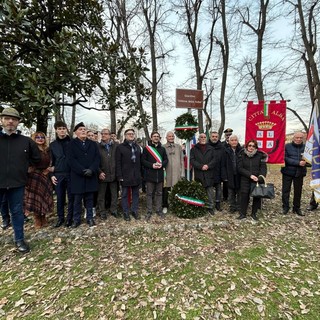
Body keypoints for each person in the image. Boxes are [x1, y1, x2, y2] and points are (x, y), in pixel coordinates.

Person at [0, 107, 41, 253]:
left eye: (14, 119)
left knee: (17, 212)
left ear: (18, 122)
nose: (10, 121)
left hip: (17, 183)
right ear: (1, 120)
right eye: (7, 118)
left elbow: (38, 159)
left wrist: (29, 168)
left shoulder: (26, 141)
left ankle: (19, 239)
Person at [67, 122, 100, 228]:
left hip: (91, 175)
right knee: (77, 200)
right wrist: (82, 170)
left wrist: (91, 169)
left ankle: (90, 218)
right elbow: (71, 160)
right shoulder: (71, 144)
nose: (83, 131)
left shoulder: (93, 144)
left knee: (89, 199)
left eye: (84, 129)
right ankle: (76, 220)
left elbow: (97, 158)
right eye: (80, 129)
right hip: (78, 176)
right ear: (76, 132)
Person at [24, 132, 54, 229]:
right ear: (34, 139)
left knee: (44, 197)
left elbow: (51, 161)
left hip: (45, 175)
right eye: (37, 137)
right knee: (35, 198)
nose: (40, 139)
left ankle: (43, 216)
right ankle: (37, 218)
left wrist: (49, 168)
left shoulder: (48, 150)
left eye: (42, 137)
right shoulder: (31, 149)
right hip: (34, 176)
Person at [50, 120, 74, 228]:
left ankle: (69, 218)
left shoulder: (73, 142)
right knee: (60, 198)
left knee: (71, 197)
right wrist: (52, 175)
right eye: (59, 129)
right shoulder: (53, 145)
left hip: (71, 174)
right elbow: (50, 162)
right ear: (56, 130)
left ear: (66, 129)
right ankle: (60, 218)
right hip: (58, 175)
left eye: (63, 128)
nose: (62, 130)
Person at [116, 129, 142, 221]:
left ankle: (134, 211)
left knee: (136, 194)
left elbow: (140, 161)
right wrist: (119, 176)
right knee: (125, 195)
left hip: (136, 175)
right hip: (125, 175)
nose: (131, 135)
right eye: (129, 134)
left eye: (132, 134)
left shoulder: (137, 147)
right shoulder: (120, 147)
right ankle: (126, 212)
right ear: (125, 136)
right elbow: (118, 162)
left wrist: (140, 174)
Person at [238, 139, 267, 220]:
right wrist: (250, 175)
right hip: (245, 178)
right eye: (249, 145)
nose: (251, 147)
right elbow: (239, 168)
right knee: (244, 196)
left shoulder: (260, 155)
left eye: (253, 146)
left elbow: (263, 168)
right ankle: (243, 214)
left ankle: (254, 213)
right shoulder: (241, 155)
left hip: (257, 179)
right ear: (246, 146)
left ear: (256, 147)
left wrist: (260, 177)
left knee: (256, 196)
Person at [142, 131, 168, 221]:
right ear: (151, 138)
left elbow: (166, 160)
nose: (156, 137)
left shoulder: (162, 149)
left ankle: (158, 210)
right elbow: (143, 161)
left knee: (159, 193)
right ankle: (149, 211)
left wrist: (161, 164)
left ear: (159, 138)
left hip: (160, 175)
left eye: (157, 136)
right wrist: (152, 165)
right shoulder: (146, 149)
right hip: (150, 175)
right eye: (154, 136)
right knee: (149, 194)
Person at [281, 131, 307, 216]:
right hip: (287, 171)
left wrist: (306, 163)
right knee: (285, 190)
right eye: (297, 137)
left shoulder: (306, 147)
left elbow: (310, 160)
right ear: (293, 138)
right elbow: (285, 158)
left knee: (298, 191)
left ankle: (296, 208)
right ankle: (285, 206)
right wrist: (297, 162)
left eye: (300, 138)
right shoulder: (287, 146)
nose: (299, 139)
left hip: (300, 173)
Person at [190, 133, 216, 214]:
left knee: (209, 191)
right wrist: (201, 166)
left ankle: (210, 207)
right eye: (201, 137)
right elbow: (192, 160)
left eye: (204, 137)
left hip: (209, 172)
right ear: (199, 139)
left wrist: (208, 166)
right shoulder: (194, 149)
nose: (203, 138)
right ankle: (200, 206)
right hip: (199, 173)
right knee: (199, 190)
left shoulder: (211, 149)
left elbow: (214, 160)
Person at [97, 128, 119, 219]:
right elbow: (94, 161)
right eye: (102, 134)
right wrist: (99, 172)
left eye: (105, 134)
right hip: (103, 175)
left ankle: (113, 210)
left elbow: (119, 160)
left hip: (114, 175)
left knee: (114, 194)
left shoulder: (116, 146)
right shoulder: (97, 146)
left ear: (110, 135)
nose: (103, 135)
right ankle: (102, 212)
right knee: (101, 195)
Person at [162, 131, 184, 214]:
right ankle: (165, 205)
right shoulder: (163, 147)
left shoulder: (178, 147)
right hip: (167, 171)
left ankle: (176, 205)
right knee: (166, 189)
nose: (171, 137)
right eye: (169, 136)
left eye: (172, 136)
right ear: (166, 138)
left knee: (177, 189)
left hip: (177, 172)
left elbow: (181, 159)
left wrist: (182, 173)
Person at [208, 131, 227, 211]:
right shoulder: (206, 146)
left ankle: (218, 204)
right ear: (210, 137)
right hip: (209, 172)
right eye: (213, 136)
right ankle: (210, 204)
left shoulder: (222, 147)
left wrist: (223, 174)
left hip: (219, 171)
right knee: (209, 189)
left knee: (219, 189)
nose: (214, 138)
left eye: (216, 136)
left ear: (218, 137)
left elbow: (224, 161)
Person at [225, 135, 242, 213]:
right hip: (230, 174)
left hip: (240, 174)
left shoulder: (242, 150)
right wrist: (224, 175)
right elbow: (223, 164)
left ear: (237, 141)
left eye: (235, 140)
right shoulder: (226, 151)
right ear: (229, 142)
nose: (234, 142)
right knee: (231, 192)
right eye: (232, 140)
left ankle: (239, 206)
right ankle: (232, 207)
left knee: (239, 191)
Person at [222, 128, 233, 201]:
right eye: (227, 135)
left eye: (230, 135)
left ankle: (232, 196)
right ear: (225, 136)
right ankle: (225, 197)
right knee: (225, 183)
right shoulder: (222, 144)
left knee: (232, 182)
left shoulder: (235, 143)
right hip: (224, 165)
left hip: (232, 166)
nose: (228, 136)